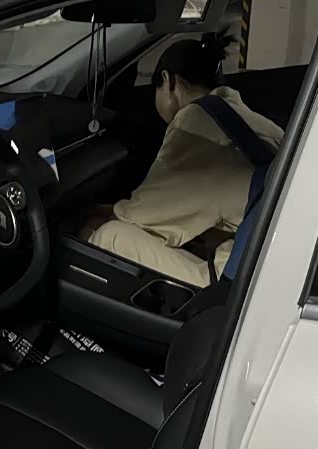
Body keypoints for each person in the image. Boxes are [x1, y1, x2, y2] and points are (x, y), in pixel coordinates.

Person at [82, 33, 284, 287]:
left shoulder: (196, 121)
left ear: (169, 81)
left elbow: (148, 213)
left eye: (156, 88)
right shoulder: (248, 119)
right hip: (271, 254)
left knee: (108, 236)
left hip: (242, 278)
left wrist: (94, 216)